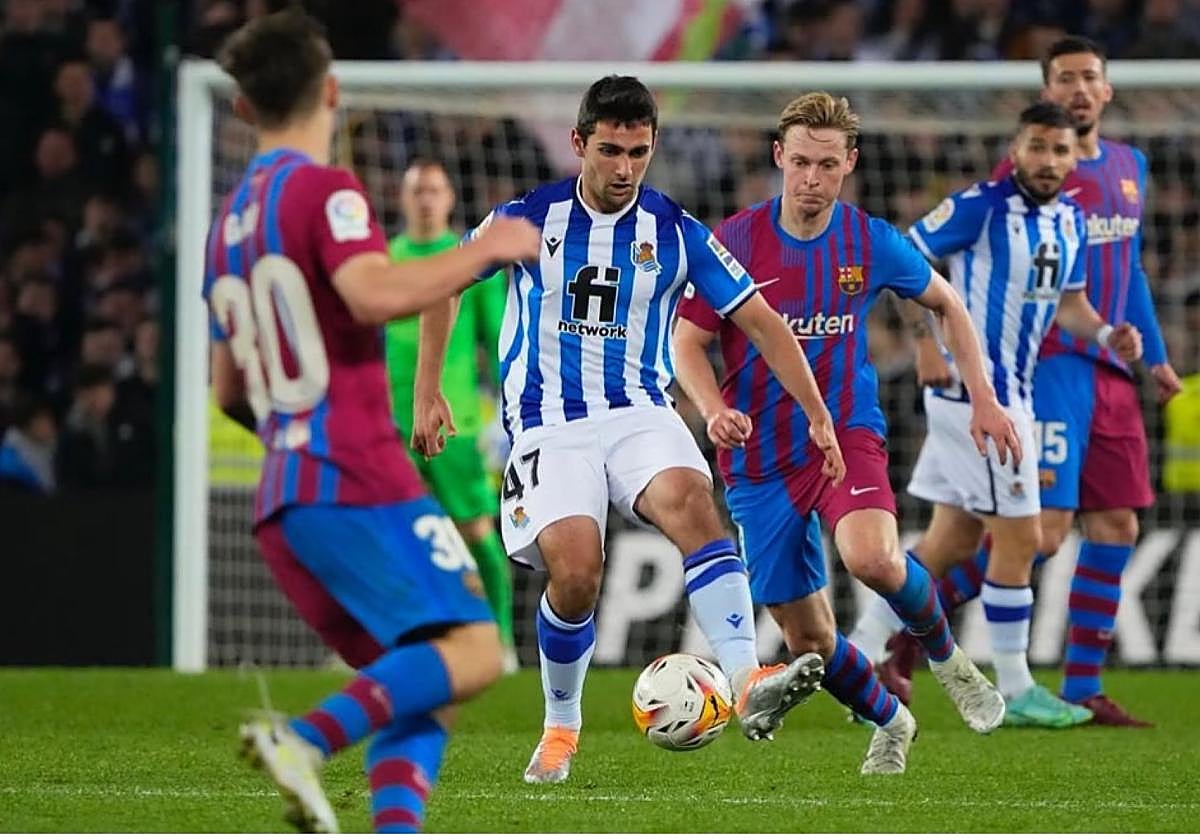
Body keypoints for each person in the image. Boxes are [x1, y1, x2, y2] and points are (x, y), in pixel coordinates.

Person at [415, 75, 846, 785]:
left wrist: (819, 412)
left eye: (638, 153)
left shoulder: (675, 231)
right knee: (578, 574)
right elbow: (445, 282)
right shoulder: (529, 219)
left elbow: (760, 320)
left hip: (641, 412)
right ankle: (561, 725)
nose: (623, 169)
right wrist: (428, 390)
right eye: (610, 151)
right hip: (549, 425)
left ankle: (745, 682)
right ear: (580, 143)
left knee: (695, 507)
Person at [204, 10, 539, 832]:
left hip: (284, 495)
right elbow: (373, 294)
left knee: (425, 672)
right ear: (332, 91)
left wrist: (294, 442)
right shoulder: (325, 190)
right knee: (472, 651)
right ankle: (307, 739)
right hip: (355, 471)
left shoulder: (225, 227)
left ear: (243, 108)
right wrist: (489, 249)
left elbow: (226, 391)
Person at [673, 92, 1015, 775]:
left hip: (844, 434)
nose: (810, 180)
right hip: (759, 459)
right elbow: (687, 342)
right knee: (810, 643)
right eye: (799, 162)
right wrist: (712, 407)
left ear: (849, 164)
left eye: (827, 165)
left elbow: (946, 303)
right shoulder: (735, 241)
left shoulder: (869, 241)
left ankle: (952, 665)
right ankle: (892, 720)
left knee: (872, 558)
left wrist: (982, 397)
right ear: (778, 157)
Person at [860, 36, 1182, 728]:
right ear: (1017, 150)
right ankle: (1015, 687)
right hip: (979, 398)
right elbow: (901, 254)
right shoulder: (979, 205)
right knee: (1024, 537)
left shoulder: (1068, 219)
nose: (1048, 161)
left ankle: (861, 660)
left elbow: (1071, 303)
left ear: (1074, 160)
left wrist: (1109, 336)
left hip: (1013, 397)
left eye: (1060, 152)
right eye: (1037, 148)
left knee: (945, 545)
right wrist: (925, 342)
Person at [384, 158, 517, 672]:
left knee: (474, 528)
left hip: (452, 422)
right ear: (403, 198)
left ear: (449, 200)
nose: (424, 199)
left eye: (433, 190)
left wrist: (506, 414)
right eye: (415, 189)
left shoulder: (469, 264)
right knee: (395, 534)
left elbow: (499, 341)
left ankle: (501, 642)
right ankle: (401, 641)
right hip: (388, 425)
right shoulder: (385, 261)